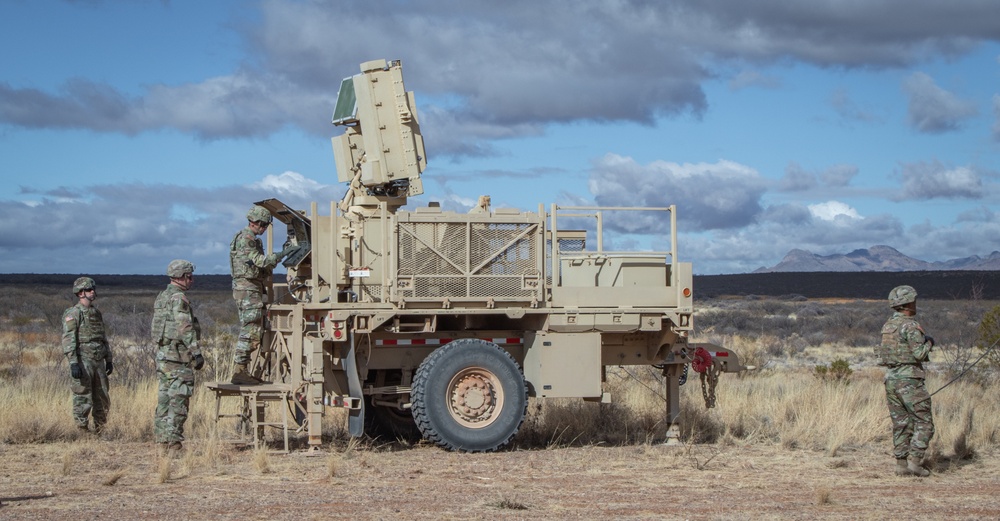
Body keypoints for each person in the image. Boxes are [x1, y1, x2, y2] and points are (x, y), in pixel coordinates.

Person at [229, 205, 294, 385]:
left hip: (251, 287)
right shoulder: (247, 239)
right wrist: (283, 253)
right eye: (264, 225)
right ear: (255, 222)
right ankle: (239, 371)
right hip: (248, 288)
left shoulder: (249, 239)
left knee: (254, 328)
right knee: (250, 329)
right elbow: (261, 261)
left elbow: (261, 266)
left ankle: (242, 370)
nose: (265, 229)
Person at [876, 285, 935, 477]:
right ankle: (915, 463)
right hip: (909, 380)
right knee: (924, 423)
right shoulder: (910, 325)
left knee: (901, 423)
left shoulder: (888, 326)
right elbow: (919, 353)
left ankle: (901, 465)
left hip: (891, 380)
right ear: (909, 303)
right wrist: (929, 343)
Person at [151, 259, 205, 454]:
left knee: (164, 400)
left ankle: (162, 442)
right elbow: (184, 327)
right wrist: (196, 352)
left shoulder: (162, 297)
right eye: (189, 277)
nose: (192, 280)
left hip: (164, 357)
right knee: (179, 400)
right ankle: (173, 444)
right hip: (178, 358)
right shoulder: (178, 299)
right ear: (182, 277)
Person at [61, 276, 112, 435]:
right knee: (83, 395)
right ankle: (82, 431)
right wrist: (73, 362)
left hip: (98, 360)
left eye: (93, 289)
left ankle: (100, 430)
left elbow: (103, 337)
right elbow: (69, 338)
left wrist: (108, 359)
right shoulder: (73, 313)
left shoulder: (96, 312)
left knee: (102, 396)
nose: (93, 292)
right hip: (83, 359)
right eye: (89, 290)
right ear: (80, 292)